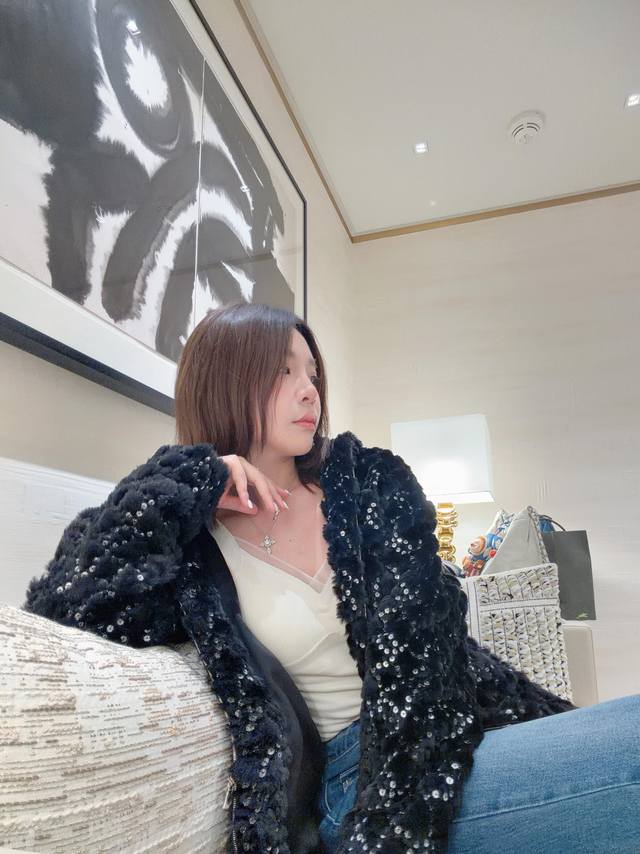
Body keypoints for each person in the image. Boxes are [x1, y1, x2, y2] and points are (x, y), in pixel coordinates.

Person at [24, 302, 639, 853]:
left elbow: (434, 657)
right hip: (354, 784)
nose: (309, 392)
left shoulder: (369, 483)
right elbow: (70, 610)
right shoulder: (196, 546)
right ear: (226, 382)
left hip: (436, 746)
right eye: (283, 373)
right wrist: (193, 478)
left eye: (312, 374)